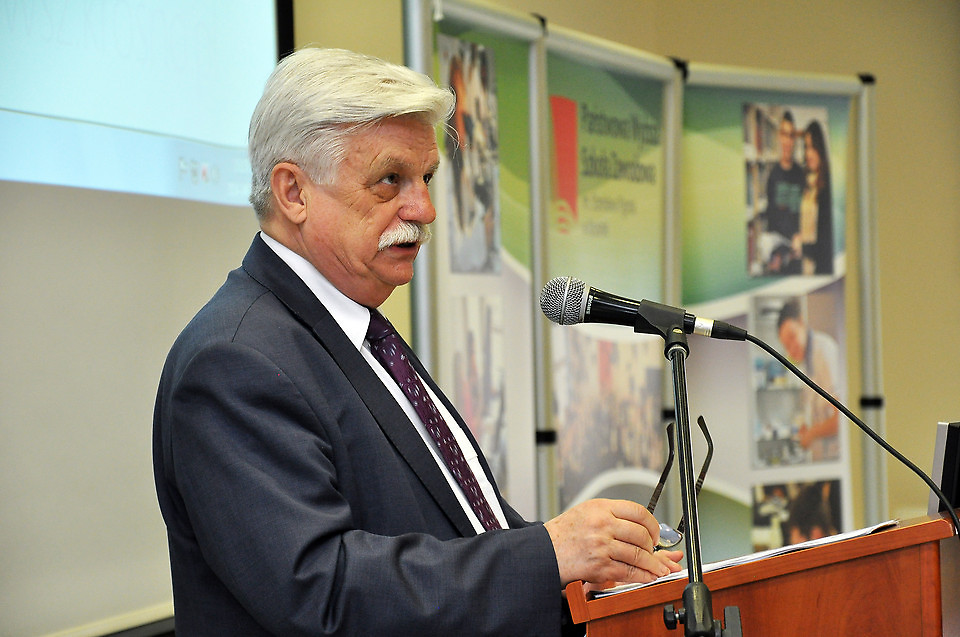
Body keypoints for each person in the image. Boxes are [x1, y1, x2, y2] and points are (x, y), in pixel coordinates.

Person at [153, 47, 681, 636]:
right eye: (390, 180)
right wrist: (549, 555)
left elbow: (466, 529)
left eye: (426, 178)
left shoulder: (359, 331)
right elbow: (321, 592)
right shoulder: (235, 361)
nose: (424, 209)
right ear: (293, 192)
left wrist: (585, 577)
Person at [777, 299, 841, 461]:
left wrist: (812, 433)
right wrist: (808, 428)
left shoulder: (824, 350)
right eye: (786, 346)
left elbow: (842, 418)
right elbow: (819, 411)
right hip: (822, 457)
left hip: (837, 456)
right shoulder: (807, 363)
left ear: (801, 322)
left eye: (792, 337)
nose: (791, 349)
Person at [761, 110, 806, 275]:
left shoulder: (801, 175)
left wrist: (799, 236)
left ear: (795, 140)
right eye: (784, 135)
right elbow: (772, 216)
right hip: (780, 248)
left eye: (791, 136)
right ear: (779, 137)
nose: (788, 141)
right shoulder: (773, 175)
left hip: (799, 246)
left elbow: (804, 213)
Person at [798, 120, 834, 275]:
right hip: (803, 265)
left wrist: (803, 247)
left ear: (820, 148)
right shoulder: (805, 181)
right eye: (806, 147)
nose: (808, 154)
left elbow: (826, 243)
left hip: (819, 268)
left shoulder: (827, 186)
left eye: (812, 147)